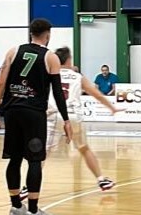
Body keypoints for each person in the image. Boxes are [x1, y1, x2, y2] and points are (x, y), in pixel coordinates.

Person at [0, 18, 74, 215]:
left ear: (30, 33)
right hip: (34, 113)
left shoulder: (13, 51)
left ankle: (16, 206)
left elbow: (0, 83)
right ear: (48, 35)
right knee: (35, 160)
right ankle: (33, 210)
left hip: (12, 111)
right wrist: (66, 119)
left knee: (15, 159)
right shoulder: (51, 57)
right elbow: (58, 92)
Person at [47, 47, 119, 191]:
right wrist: (112, 107)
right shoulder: (77, 76)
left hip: (55, 115)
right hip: (74, 116)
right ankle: (101, 179)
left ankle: (28, 186)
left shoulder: (49, 74)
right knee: (84, 148)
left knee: (43, 153)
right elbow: (96, 94)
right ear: (69, 60)